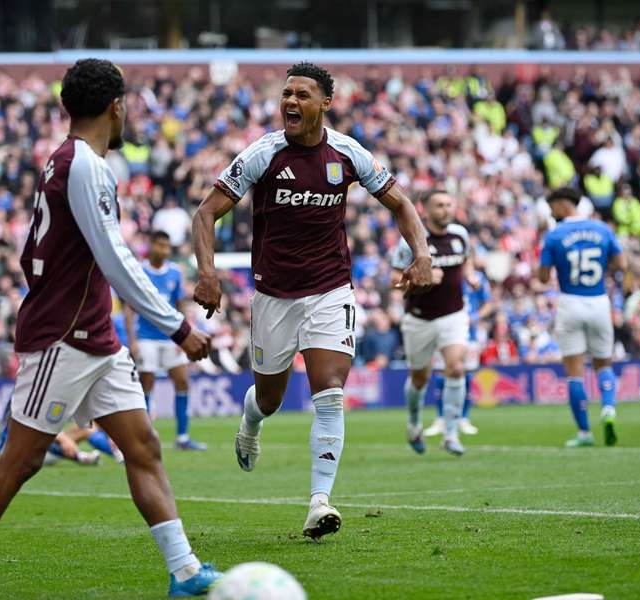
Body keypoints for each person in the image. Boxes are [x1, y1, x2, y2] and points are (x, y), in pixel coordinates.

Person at [0, 58, 222, 600]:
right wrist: (178, 327)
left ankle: (184, 572)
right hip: (62, 337)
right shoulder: (84, 166)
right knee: (21, 460)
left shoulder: (64, 161)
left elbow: (43, 256)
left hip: (94, 334)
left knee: (143, 446)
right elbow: (114, 258)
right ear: (117, 106)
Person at [192, 62, 433, 540]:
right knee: (270, 398)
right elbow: (205, 213)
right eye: (286, 94)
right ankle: (250, 422)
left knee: (330, 393)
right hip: (274, 296)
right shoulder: (263, 153)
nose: (290, 102)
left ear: (325, 103)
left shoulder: (347, 152)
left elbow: (402, 202)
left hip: (330, 289)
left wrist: (421, 253)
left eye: (302, 94)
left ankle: (319, 502)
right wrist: (207, 274)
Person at [537, 187, 627, 448]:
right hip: (598, 301)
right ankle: (608, 410)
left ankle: (584, 433)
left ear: (564, 205)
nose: (551, 211)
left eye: (553, 206)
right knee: (603, 365)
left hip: (570, 302)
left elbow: (543, 277)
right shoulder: (602, 230)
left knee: (574, 372)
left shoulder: (555, 235)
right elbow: (621, 265)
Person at [391, 190, 476, 457]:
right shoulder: (412, 242)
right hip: (419, 318)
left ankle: (451, 433)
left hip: (454, 314)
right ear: (425, 210)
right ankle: (414, 423)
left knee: (456, 367)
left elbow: (467, 258)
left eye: (449, 204)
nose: (446, 209)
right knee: (420, 378)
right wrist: (420, 277)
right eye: (439, 205)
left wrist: (471, 275)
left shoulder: (460, 235)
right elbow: (394, 279)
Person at [124, 229, 206, 451]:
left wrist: (184, 335)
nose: (164, 250)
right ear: (151, 245)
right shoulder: (139, 271)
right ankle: (146, 436)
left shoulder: (174, 272)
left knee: (182, 382)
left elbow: (179, 305)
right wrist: (132, 339)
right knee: (146, 384)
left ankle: (182, 437)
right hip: (146, 338)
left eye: (167, 246)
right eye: (160, 245)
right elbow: (129, 307)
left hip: (170, 338)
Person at [423, 269, 492, 438]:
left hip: (470, 333)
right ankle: (440, 419)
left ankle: (463, 418)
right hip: (444, 331)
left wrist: (475, 317)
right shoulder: (442, 273)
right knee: (441, 373)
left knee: (466, 373)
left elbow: (488, 304)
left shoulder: (478, 277)